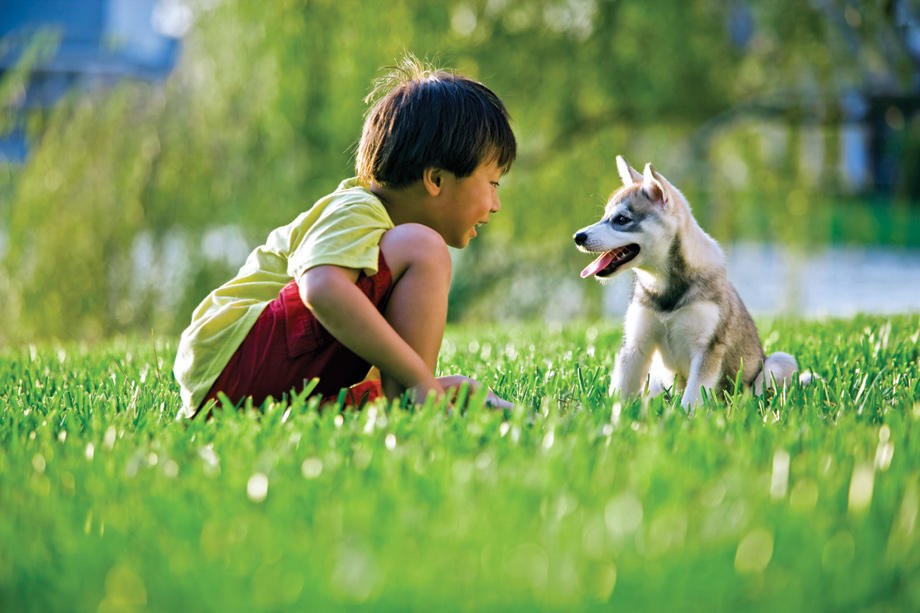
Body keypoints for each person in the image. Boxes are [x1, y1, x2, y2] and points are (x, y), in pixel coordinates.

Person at [173, 55, 516, 418]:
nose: (495, 204)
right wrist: (421, 383)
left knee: (451, 387)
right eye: (492, 183)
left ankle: (406, 408)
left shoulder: (386, 252)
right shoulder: (359, 208)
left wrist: (427, 385)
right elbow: (320, 288)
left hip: (243, 393)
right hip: (232, 364)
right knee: (425, 248)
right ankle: (416, 404)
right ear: (435, 180)